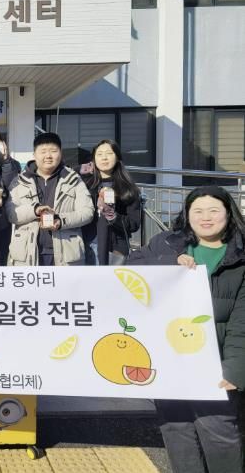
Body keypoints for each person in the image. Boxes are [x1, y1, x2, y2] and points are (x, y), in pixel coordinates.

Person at [128, 186, 245, 473]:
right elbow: (130, 269)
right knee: (175, 428)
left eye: (214, 210)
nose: (206, 217)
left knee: (219, 430)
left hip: (216, 362)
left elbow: (241, 322)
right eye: (198, 211)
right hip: (169, 359)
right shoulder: (167, 243)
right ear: (187, 215)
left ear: (229, 214)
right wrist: (169, 263)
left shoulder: (240, 256)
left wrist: (234, 369)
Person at [5, 132, 94, 266]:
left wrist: (61, 220)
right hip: (26, 255)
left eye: (53, 151)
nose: (48, 156)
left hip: (67, 255)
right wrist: (34, 210)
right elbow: (11, 213)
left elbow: (87, 212)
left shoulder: (74, 180)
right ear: (34, 155)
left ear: (60, 153)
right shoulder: (19, 181)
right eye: (43, 151)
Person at [80, 139, 141, 265]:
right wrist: (80, 168)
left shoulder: (128, 188)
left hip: (115, 248)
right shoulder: (84, 184)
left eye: (109, 153)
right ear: (93, 159)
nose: (104, 158)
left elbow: (134, 224)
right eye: (99, 154)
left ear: (117, 157)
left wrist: (113, 216)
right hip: (87, 245)